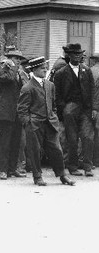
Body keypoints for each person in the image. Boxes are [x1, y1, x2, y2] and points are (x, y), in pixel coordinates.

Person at [17, 57, 76, 187]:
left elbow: (53, 104)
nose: (45, 70)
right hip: (34, 124)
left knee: (56, 149)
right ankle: (37, 176)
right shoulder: (27, 87)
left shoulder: (50, 85)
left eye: (45, 68)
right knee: (35, 150)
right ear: (34, 70)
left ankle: (62, 175)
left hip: (50, 123)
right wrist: (29, 122)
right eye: (42, 68)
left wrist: (53, 115)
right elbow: (22, 110)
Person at [53, 43, 97, 177]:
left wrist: (94, 108)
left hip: (85, 108)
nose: (78, 57)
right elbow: (57, 94)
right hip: (70, 108)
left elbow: (93, 90)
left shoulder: (86, 70)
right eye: (75, 54)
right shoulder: (61, 73)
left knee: (88, 137)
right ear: (69, 55)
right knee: (71, 138)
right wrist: (64, 109)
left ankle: (88, 167)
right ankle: (73, 166)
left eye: (80, 54)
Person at [0, 48, 27, 180]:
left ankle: (12, 169)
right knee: (5, 143)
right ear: (9, 59)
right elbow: (5, 77)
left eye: (19, 59)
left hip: (18, 112)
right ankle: (3, 170)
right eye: (15, 58)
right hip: (5, 112)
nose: (18, 61)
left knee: (16, 142)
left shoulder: (21, 73)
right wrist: (9, 67)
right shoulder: (2, 72)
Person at [90, 53, 99, 167]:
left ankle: (94, 159)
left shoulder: (91, 70)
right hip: (96, 106)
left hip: (94, 106)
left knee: (95, 133)